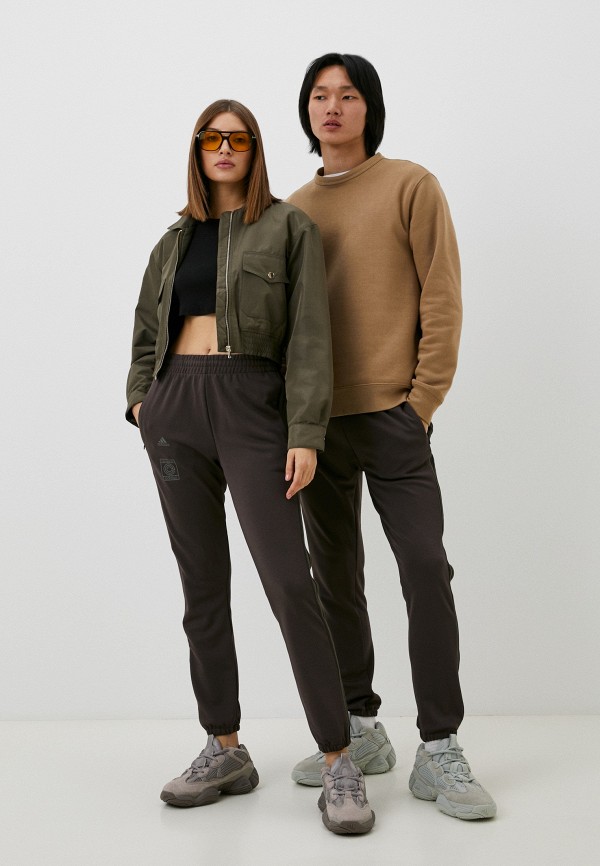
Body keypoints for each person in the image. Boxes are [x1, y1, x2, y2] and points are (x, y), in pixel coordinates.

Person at [125, 99, 375, 835]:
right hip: (176, 413)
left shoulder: (289, 228)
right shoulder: (173, 240)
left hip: (253, 407)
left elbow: (310, 337)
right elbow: (147, 331)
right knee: (201, 585)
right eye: (213, 138)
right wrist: (144, 402)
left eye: (238, 138)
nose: (225, 148)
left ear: (256, 149)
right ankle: (225, 747)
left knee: (291, 583)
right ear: (198, 150)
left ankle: (339, 758)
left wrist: (305, 432)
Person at [288, 54, 497, 820]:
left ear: (369, 108)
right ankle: (361, 728)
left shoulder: (412, 185)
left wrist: (420, 404)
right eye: (320, 95)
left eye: (347, 95)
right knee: (336, 580)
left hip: (396, 418)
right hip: (317, 427)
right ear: (307, 112)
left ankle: (439, 746)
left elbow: (442, 296)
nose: (333, 107)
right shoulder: (292, 210)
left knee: (425, 570)